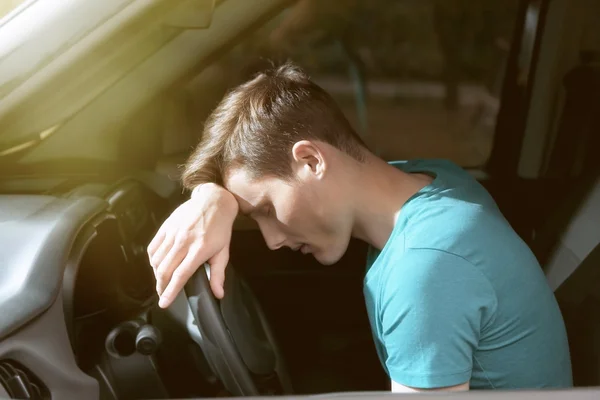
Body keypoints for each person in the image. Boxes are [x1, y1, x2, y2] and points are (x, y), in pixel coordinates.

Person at [147, 62, 572, 392]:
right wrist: (211, 197)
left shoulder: (424, 269)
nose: (272, 239)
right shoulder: (432, 181)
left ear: (311, 160)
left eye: (265, 209)